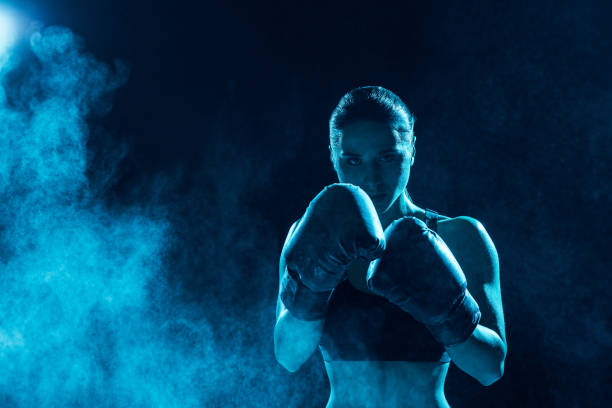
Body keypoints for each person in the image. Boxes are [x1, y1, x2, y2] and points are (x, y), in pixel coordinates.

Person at [274, 86, 507, 408]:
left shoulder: (459, 235)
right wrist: (313, 288)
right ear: (332, 155)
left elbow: (491, 368)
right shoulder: (309, 233)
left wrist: (449, 310)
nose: (372, 178)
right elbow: (288, 356)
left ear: (411, 148)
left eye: (387, 157)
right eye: (353, 161)